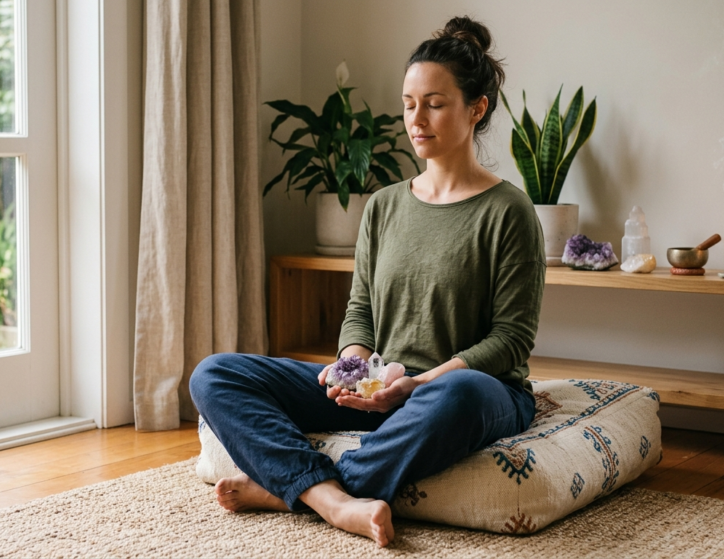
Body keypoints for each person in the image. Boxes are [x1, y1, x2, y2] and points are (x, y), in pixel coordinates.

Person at [190, 15, 544, 547]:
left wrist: (419, 384)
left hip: (457, 393)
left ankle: (293, 490)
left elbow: (511, 339)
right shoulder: (383, 206)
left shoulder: (508, 211)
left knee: (461, 391)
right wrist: (352, 369)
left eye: (435, 103)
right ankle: (330, 499)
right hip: (382, 388)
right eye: (408, 103)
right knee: (215, 374)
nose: (416, 118)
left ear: (477, 108)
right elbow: (361, 310)